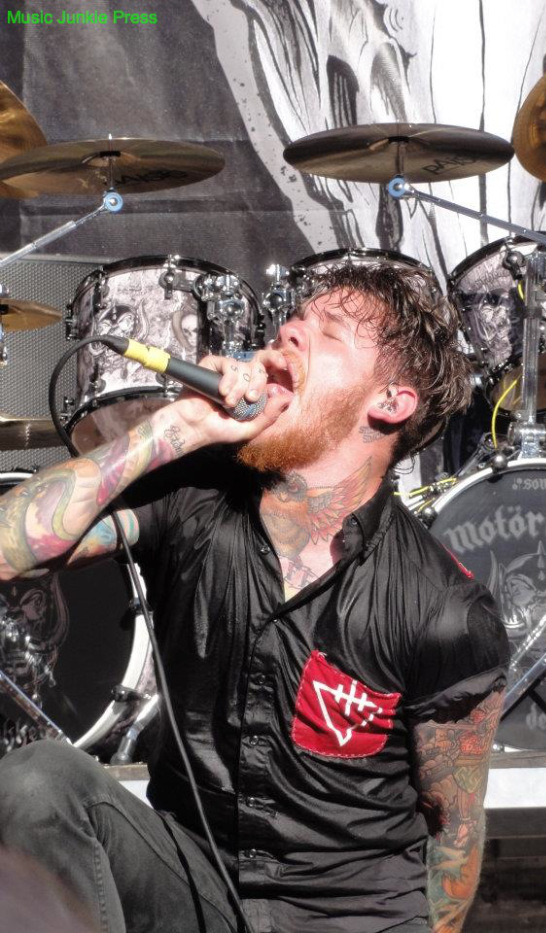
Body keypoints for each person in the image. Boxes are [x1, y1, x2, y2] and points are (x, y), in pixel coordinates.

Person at [0, 260, 509, 933]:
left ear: (390, 402)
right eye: (292, 321)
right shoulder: (193, 492)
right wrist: (178, 427)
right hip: (198, 885)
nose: (288, 334)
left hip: (350, 917)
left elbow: (455, 834)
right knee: (38, 782)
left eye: (327, 332)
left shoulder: (443, 609)